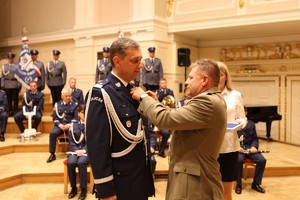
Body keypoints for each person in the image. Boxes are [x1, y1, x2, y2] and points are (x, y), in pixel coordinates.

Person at [131, 59, 227, 200]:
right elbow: (178, 122)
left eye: (191, 77)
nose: (186, 82)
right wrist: (156, 103)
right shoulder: (212, 99)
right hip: (192, 181)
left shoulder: (207, 102)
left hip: (195, 187)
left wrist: (144, 97)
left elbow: (166, 119)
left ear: (204, 80)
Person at [85, 38, 155, 200]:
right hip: (119, 184)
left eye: (140, 60)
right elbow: (97, 147)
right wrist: (105, 189)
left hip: (138, 179)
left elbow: (142, 135)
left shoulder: (134, 91)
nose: (140, 65)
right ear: (117, 61)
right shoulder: (100, 93)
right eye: (134, 61)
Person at [217, 61, 247, 200]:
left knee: (226, 192)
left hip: (228, 146)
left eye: (221, 74)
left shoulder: (235, 95)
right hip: (208, 147)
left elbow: (242, 118)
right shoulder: (204, 95)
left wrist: (237, 125)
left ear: (226, 77)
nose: (218, 77)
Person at [235, 107, 266, 194]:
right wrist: (236, 147)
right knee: (239, 160)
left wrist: (254, 146)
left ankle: (256, 184)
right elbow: (229, 138)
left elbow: (255, 138)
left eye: (243, 111)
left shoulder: (251, 124)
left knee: (262, 160)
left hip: (249, 147)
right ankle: (238, 184)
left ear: (246, 113)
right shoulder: (233, 123)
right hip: (238, 149)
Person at [47, 88, 78, 163]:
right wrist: (60, 125)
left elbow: (76, 118)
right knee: (53, 133)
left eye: (69, 96)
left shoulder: (74, 105)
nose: (68, 98)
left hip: (70, 125)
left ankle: (72, 153)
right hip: (60, 125)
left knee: (73, 133)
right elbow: (55, 118)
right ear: (62, 96)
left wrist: (69, 125)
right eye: (66, 96)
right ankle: (52, 154)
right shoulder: (57, 105)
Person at [67, 105, 89, 200]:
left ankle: (83, 189)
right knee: (71, 162)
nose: (85, 114)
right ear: (79, 113)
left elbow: (92, 141)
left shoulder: (90, 125)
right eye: (83, 112)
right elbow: (71, 141)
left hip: (86, 151)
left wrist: (83, 150)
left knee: (81, 162)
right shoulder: (73, 125)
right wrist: (76, 150)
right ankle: (73, 188)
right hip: (74, 150)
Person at [155, 78, 174, 158]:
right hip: (160, 117)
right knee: (166, 133)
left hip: (169, 115)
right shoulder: (157, 92)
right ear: (160, 84)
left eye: (165, 83)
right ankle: (161, 150)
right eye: (162, 83)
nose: (164, 84)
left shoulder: (170, 91)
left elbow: (173, 101)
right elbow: (156, 103)